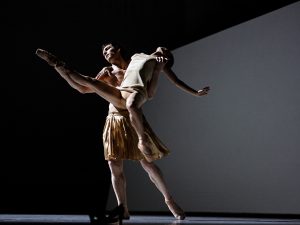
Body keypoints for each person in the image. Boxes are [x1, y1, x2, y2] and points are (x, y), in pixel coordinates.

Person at [35, 43, 210, 163]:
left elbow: (175, 82)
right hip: (120, 93)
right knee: (90, 81)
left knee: (132, 106)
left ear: (166, 57)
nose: (163, 49)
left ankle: (142, 141)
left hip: (136, 92)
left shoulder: (160, 64)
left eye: (166, 52)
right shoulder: (137, 55)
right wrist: (104, 77)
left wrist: (195, 93)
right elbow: (89, 87)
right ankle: (57, 64)